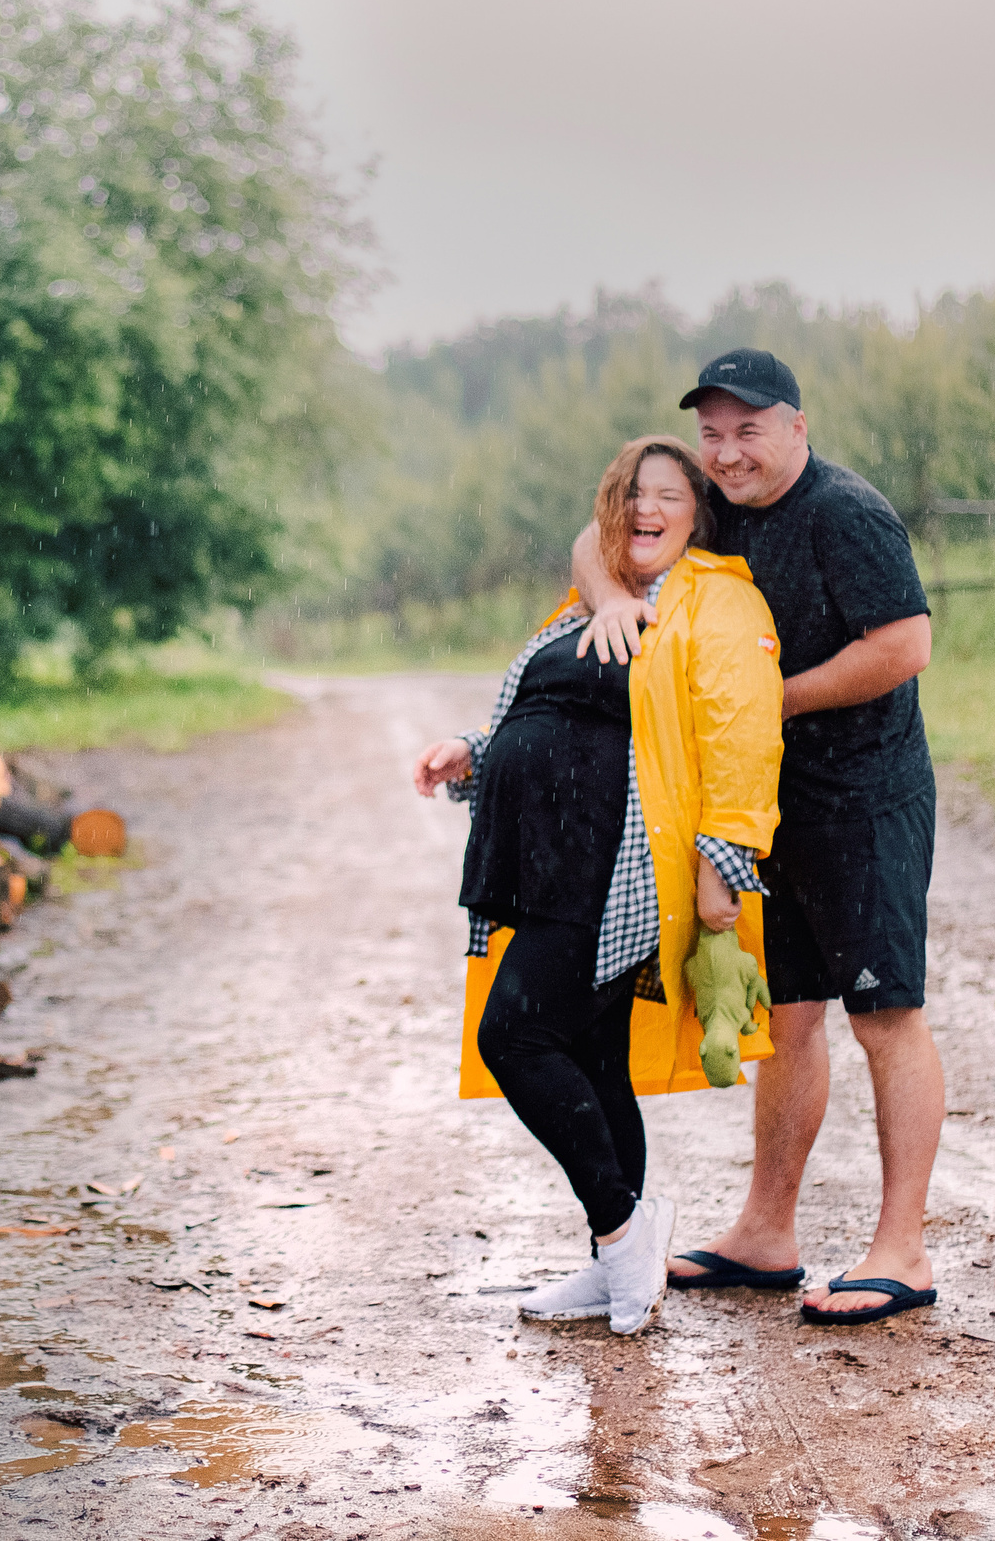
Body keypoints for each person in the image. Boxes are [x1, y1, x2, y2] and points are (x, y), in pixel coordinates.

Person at [565, 348, 945, 1327]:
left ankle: (902, 1250)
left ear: (797, 427)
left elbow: (904, 647)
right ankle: (765, 1235)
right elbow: (599, 534)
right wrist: (609, 596)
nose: (727, 452)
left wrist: (767, 701)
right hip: (771, 803)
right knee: (787, 1015)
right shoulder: (719, 504)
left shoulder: (843, 512)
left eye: (748, 430)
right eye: (713, 432)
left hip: (864, 797)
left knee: (884, 1015)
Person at [414, 435, 784, 1336]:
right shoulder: (595, 598)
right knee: (594, 1056)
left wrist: (723, 864)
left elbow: (742, 735)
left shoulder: (716, 602)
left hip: (614, 865)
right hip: (544, 859)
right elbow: (544, 704)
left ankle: (625, 1232)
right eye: (632, 494)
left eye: (669, 494)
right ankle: (612, 1254)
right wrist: (478, 750)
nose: (647, 509)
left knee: (517, 1034)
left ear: (699, 514)